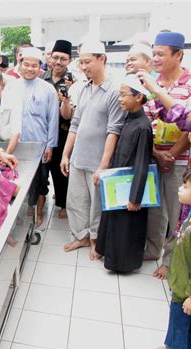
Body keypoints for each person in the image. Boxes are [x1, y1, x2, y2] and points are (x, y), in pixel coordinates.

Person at [141, 32, 191, 279]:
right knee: (154, 208)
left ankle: (169, 258)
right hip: (153, 156)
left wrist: (172, 154)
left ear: (179, 55)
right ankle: (152, 248)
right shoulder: (150, 83)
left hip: (181, 161)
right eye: (153, 53)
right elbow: (145, 118)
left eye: (160, 54)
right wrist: (155, 152)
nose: (155, 59)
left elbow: (189, 125)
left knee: (178, 211)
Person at [60, 40, 125, 260]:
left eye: (87, 62)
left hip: (98, 160)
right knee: (76, 200)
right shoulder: (84, 88)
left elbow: (113, 131)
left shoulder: (115, 91)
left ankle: (96, 240)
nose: (84, 67)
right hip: (78, 157)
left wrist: (103, 165)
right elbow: (75, 124)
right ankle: (82, 236)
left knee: (97, 205)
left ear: (102, 59)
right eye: (81, 63)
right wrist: (66, 154)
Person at [96, 75, 153, 272]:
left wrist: (135, 197)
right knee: (115, 222)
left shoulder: (143, 127)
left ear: (138, 97)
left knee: (127, 227)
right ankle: (110, 257)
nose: (120, 99)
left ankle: (123, 264)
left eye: (123, 95)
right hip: (119, 182)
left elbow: (141, 163)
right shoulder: (129, 119)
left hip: (130, 187)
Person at [154, 167, 191, 349]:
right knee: (177, 323)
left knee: (183, 328)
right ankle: (172, 347)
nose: (180, 189)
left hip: (188, 293)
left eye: (185, 186)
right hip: (181, 287)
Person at [12, 46, 59, 227]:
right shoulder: (12, 87)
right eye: (26, 64)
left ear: (41, 67)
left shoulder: (48, 90)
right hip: (17, 145)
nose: (30, 69)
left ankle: (39, 212)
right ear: (20, 64)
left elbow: (53, 120)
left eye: (34, 65)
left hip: (40, 146)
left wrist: (50, 145)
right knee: (19, 179)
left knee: (41, 181)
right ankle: (25, 210)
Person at [39, 40, 75, 219]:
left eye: (63, 58)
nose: (58, 62)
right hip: (43, 130)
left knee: (61, 170)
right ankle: (40, 200)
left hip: (63, 132)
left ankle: (63, 204)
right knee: (44, 167)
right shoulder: (41, 78)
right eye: (55, 57)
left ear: (69, 60)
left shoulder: (72, 81)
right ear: (50, 58)